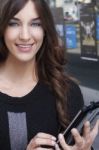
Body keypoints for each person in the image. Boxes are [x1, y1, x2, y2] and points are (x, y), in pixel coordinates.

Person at [0, 0, 98, 150]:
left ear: (45, 29)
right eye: (13, 23)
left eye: (36, 24)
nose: (25, 36)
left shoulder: (67, 92)